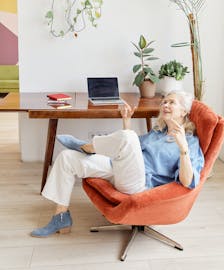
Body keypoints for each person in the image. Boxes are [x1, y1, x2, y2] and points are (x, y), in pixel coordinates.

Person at [31, 90, 204, 237]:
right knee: (67, 157)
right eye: (164, 101)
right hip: (121, 171)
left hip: (141, 185)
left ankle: (87, 147)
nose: (165, 105)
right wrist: (127, 121)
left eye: (171, 102)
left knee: (128, 137)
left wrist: (183, 149)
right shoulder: (158, 132)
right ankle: (60, 218)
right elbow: (131, 149)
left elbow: (188, 181)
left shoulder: (191, 142)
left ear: (183, 112)